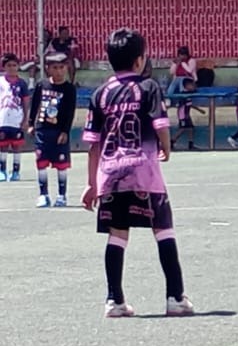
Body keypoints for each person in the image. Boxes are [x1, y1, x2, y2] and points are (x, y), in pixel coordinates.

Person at [81, 27, 193, 317]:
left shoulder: (100, 94)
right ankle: (175, 297)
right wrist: (166, 147)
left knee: (117, 234)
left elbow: (93, 145)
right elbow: (160, 124)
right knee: (163, 230)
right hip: (144, 172)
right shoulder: (148, 87)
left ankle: (114, 300)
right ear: (140, 60)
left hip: (110, 174)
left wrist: (91, 184)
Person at [26, 52, 74, 207]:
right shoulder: (42, 85)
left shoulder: (69, 89)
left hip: (59, 132)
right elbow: (34, 105)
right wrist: (31, 124)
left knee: (61, 165)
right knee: (41, 162)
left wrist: (65, 131)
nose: (59, 71)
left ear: (66, 68)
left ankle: (61, 195)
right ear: (48, 68)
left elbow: (70, 112)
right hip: (42, 130)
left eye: (61, 67)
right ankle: (43, 194)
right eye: (55, 68)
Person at [0, 53, 32, 180]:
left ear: (18, 67)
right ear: (4, 67)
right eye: (9, 65)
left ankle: (16, 171)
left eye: (14, 65)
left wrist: (25, 119)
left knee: (17, 146)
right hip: (2, 119)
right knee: (2, 145)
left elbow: (25, 102)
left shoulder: (22, 84)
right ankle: (2, 170)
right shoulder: (1, 82)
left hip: (16, 119)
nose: (12, 68)